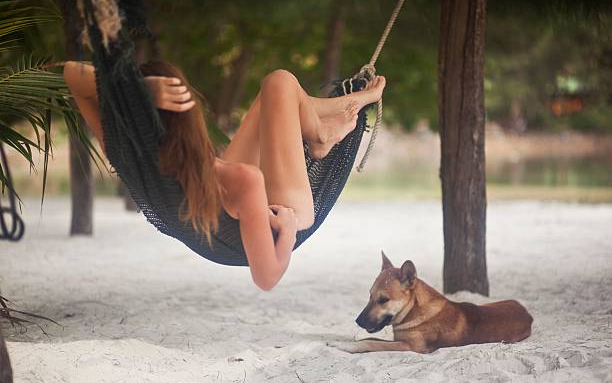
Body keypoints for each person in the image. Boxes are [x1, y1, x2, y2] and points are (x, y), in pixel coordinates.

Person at [63, 60, 386, 290]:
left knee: (276, 89)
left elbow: (71, 72)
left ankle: (325, 128)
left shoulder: (127, 150)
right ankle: (322, 136)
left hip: (214, 219)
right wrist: (287, 230)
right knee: (282, 82)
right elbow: (267, 278)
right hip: (272, 232)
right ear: (192, 116)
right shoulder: (243, 180)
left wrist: (136, 93)